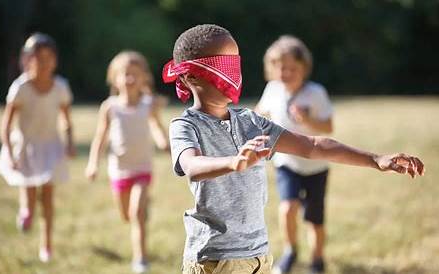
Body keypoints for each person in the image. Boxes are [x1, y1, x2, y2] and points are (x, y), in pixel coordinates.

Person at [163, 24, 424, 274]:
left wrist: (375, 159)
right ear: (189, 76)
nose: (231, 74)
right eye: (221, 66)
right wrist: (234, 162)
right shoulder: (185, 125)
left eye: (235, 63)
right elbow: (192, 166)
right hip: (214, 260)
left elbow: (312, 146)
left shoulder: (251, 122)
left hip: (258, 256)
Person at [85, 50, 169, 273]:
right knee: (126, 215)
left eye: (135, 74)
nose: (130, 79)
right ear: (115, 78)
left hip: (142, 168)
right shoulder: (110, 107)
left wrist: (163, 142)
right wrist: (93, 163)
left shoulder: (148, 104)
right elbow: (100, 138)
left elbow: (155, 126)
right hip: (119, 171)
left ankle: (140, 259)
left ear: (144, 78)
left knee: (136, 215)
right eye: (125, 74)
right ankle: (140, 209)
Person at [255, 35, 333, 274]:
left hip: (316, 166)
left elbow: (328, 127)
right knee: (287, 207)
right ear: (272, 68)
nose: (286, 73)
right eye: (281, 68)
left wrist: (309, 120)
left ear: (304, 68)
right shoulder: (273, 89)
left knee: (314, 219)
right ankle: (290, 251)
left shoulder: (315, 93)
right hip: (286, 162)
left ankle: (317, 259)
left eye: (292, 68)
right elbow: (260, 114)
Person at [0, 33, 75, 263]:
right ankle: (26, 212)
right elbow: (6, 124)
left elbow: (66, 120)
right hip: (26, 148)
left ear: (55, 60)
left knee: (48, 197)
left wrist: (69, 142)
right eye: (38, 58)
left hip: (50, 147)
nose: (43, 62)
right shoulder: (20, 88)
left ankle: (47, 245)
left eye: (48, 57)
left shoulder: (60, 87)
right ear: (27, 60)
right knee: (29, 195)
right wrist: (10, 153)